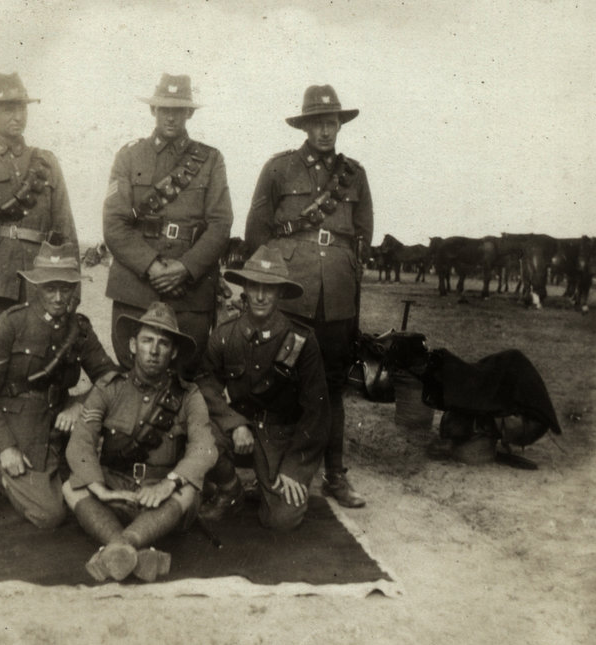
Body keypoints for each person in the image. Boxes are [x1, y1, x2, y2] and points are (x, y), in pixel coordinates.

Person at [244, 84, 373, 508]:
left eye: (331, 122)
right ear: (305, 125)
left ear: (339, 126)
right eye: (317, 122)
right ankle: (276, 463)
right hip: (292, 292)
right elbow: (257, 232)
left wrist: (348, 282)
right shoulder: (279, 169)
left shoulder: (355, 174)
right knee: (281, 378)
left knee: (332, 386)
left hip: (336, 295)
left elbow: (362, 235)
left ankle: (335, 475)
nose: (325, 131)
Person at [0, 242, 117, 529]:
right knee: (50, 515)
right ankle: (0, 475)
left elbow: (109, 376)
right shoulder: (11, 324)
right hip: (20, 425)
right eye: (51, 288)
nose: (59, 297)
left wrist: (81, 404)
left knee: (91, 492)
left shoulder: (79, 328)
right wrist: (4, 448)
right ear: (36, 286)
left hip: (60, 422)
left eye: (66, 287)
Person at [63, 302, 217, 582]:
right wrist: (101, 489)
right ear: (133, 345)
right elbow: (81, 442)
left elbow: (204, 448)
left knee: (189, 489)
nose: (154, 351)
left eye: (163, 343)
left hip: (162, 498)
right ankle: (131, 551)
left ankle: (118, 547)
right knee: (71, 487)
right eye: (147, 341)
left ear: (173, 353)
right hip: (114, 490)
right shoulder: (109, 387)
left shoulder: (188, 394)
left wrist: (169, 482)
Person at [102, 73, 233, 377]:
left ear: (189, 112)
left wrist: (185, 269)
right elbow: (114, 224)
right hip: (136, 286)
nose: (171, 116)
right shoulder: (129, 156)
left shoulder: (211, 160)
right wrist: (152, 266)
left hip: (190, 290)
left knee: (186, 373)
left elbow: (220, 224)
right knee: (131, 372)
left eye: (178, 109)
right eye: (164, 109)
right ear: (153, 110)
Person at [196, 246, 330, 530]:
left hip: (279, 438)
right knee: (198, 436)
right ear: (243, 287)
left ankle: (266, 482)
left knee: (282, 520)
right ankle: (231, 489)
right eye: (253, 286)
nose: (259, 296)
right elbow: (206, 385)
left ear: (280, 293)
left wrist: (296, 468)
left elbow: (317, 410)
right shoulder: (225, 336)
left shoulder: (301, 341)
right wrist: (234, 424)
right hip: (239, 432)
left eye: (268, 288)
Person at [0, 72, 78, 357]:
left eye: (22, 107)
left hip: (42, 283)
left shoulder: (47, 163)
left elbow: (66, 228)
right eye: (9, 108)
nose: (18, 115)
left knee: (42, 362)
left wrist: (73, 290)